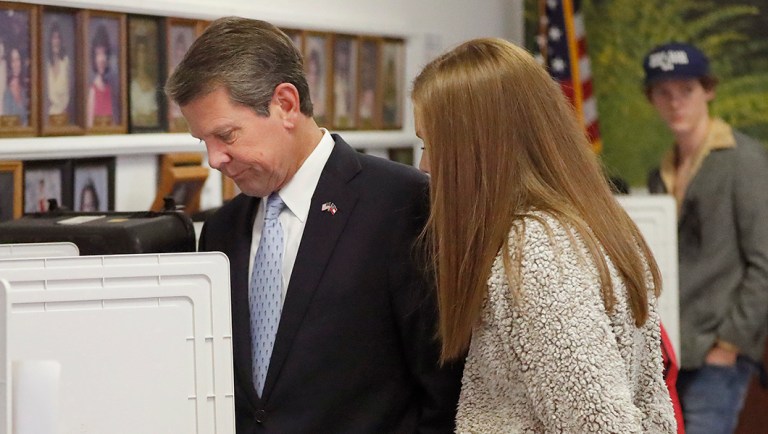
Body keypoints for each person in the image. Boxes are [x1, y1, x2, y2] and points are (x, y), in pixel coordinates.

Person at [165, 16, 462, 433]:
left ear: (285, 104)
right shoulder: (222, 231)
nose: (214, 160)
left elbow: (444, 388)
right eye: (204, 142)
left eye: (227, 136)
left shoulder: (401, 203)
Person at [412, 38, 677, 433]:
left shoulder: (536, 253)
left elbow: (600, 423)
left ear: (479, 149)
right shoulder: (583, 223)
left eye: (434, 145)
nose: (425, 165)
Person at [644, 42, 768, 434]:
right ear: (652, 99)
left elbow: (764, 262)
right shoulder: (660, 172)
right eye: (664, 92)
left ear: (708, 90)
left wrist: (729, 344)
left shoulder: (742, 161)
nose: (675, 102)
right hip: (673, 350)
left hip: (717, 352)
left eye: (687, 90)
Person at [86, 24, 114, 128]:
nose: (102, 59)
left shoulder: (109, 88)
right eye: (98, 54)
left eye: (104, 54)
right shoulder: (92, 91)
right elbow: (89, 125)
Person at [130, 35, 159, 128]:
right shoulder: (131, 84)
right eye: (139, 51)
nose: (141, 56)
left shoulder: (153, 83)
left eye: (144, 51)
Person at [46, 21, 71, 119]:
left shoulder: (65, 62)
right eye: (54, 38)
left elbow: (69, 92)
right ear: (50, 41)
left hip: (64, 115)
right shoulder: (47, 65)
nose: (56, 41)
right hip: (50, 116)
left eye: (58, 38)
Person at [3, 45, 28, 125]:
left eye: (18, 59)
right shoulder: (7, 93)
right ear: (10, 64)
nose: (16, 64)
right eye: (13, 61)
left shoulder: (24, 89)